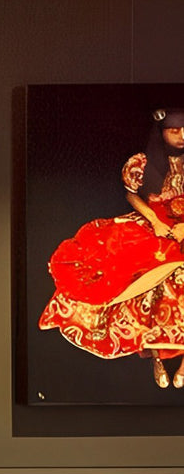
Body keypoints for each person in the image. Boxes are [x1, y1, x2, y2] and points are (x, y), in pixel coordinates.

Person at [39, 107, 184, 387]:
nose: (182, 136)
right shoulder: (143, 162)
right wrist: (154, 220)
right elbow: (132, 194)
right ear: (162, 132)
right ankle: (156, 356)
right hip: (155, 223)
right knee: (144, 281)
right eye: (174, 130)